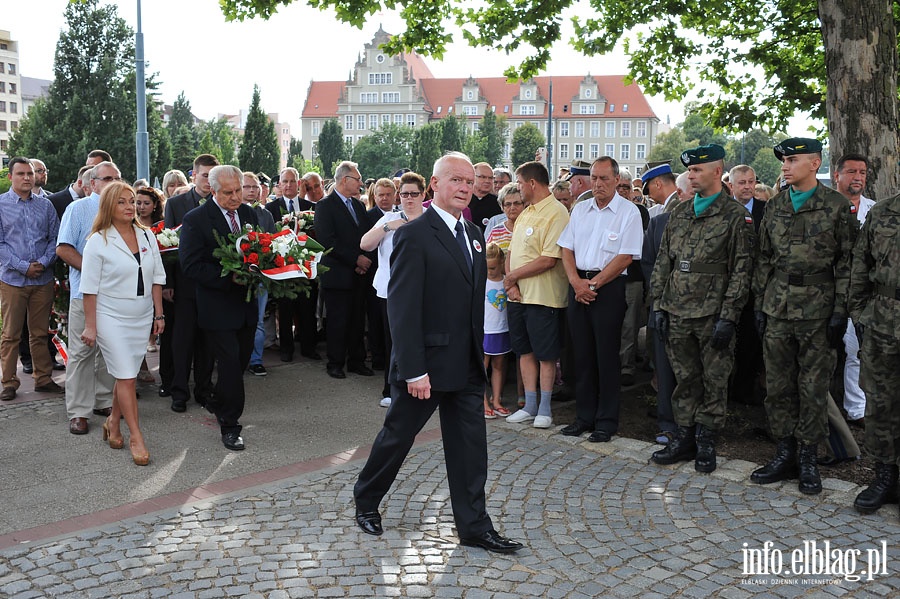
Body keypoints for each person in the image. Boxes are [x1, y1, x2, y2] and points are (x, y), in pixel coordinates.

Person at [353, 152, 523, 554]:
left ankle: (474, 526)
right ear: (435, 183)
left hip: (466, 364)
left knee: (470, 448)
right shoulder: (415, 234)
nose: (465, 187)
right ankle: (366, 498)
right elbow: (402, 306)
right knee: (397, 438)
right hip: (423, 367)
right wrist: (412, 369)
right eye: (456, 180)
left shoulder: (476, 236)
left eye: (470, 181)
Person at [750, 137, 856, 495]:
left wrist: (840, 312)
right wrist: (761, 305)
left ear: (814, 163)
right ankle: (785, 454)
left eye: (792, 160)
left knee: (812, 388)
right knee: (778, 386)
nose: (784, 166)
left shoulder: (836, 207)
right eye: (783, 161)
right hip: (778, 307)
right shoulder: (776, 206)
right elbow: (763, 259)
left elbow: (847, 263)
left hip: (818, 308)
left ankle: (809, 459)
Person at [649, 145, 754, 473]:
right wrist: (658, 306)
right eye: (689, 171)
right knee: (685, 377)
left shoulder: (735, 215)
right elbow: (664, 261)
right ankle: (685, 436)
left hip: (712, 314)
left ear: (716, 171)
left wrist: (729, 316)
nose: (691, 175)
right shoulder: (679, 213)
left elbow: (741, 269)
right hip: (677, 309)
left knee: (714, 379)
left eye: (697, 170)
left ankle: (706, 439)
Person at [556, 156, 642, 443]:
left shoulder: (628, 212)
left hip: (607, 289)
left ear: (617, 180)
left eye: (604, 178)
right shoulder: (581, 210)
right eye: (594, 178)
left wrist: (591, 284)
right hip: (579, 284)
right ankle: (584, 417)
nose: (598, 184)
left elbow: (625, 257)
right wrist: (576, 283)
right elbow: (566, 249)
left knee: (606, 356)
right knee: (581, 355)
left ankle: (606, 421)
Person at [79, 183, 165, 466]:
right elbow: (89, 289)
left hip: (140, 316)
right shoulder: (98, 241)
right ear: (108, 207)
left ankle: (113, 422)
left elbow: (157, 277)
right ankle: (136, 436)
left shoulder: (146, 236)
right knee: (127, 376)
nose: (130, 207)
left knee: (124, 373)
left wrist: (159, 314)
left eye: (132, 201)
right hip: (110, 316)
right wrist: (90, 326)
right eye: (122, 203)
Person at [179, 165, 260, 451]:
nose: (236, 197)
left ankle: (216, 401)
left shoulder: (249, 214)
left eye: (239, 190)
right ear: (213, 191)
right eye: (229, 193)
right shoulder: (195, 219)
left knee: (240, 363)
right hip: (217, 306)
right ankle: (230, 425)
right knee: (228, 364)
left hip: (247, 304)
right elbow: (190, 265)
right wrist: (229, 277)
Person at [505, 161, 570, 430]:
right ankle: (529, 405)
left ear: (532, 183)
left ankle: (545, 408)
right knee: (524, 351)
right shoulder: (526, 213)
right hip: (518, 296)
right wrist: (510, 284)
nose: (518, 190)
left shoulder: (557, 213)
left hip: (544, 297)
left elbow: (548, 260)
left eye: (520, 183)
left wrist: (512, 277)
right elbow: (511, 251)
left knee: (545, 355)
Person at [57, 161, 121, 434]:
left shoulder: (123, 210)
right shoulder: (78, 208)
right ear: (92, 183)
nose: (113, 183)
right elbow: (63, 248)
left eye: (117, 178)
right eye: (107, 178)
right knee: (83, 352)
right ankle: (79, 411)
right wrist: (94, 270)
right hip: (85, 293)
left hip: (117, 294)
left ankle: (104, 400)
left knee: (109, 352)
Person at [848, 192, 900, 515]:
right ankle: (884, 476)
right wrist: (859, 315)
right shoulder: (882, 213)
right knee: (880, 403)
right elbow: (860, 266)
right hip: (882, 322)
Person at [360, 172, 427, 408]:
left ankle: (424, 386)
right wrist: (389, 226)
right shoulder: (389, 218)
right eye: (405, 193)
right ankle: (390, 388)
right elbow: (365, 244)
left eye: (414, 194)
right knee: (393, 342)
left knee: (422, 339)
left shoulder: (431, 219)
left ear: (423, 194)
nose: (409, 198)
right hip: (390, 290)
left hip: (424, 291)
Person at [0, 157, 62, 401]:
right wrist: (24, 267)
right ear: (10, 177)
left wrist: (44, 263)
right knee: (10, 334)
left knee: (39, 333)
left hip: (42, 280)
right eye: (21, 173)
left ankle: (43, 379)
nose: (27, 177)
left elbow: (54, 238)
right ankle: (8, 382)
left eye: (30, 173)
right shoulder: (1, 204)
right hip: (13, 281)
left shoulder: (45, 206)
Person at [163, 154, 218, 412]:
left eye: (213, 175)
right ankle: (179, 392)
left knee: (207, 342)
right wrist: (167, 283)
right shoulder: (175, 204)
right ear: (194, 175)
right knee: (181, 341)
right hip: (183, 284)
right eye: (205, 175)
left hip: (212, 284)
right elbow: (167, 245)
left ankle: (204, 390)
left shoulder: (222, 203)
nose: (209, 180)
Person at [314, 161, 374, 379]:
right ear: (345, 180)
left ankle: (356, 360)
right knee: (338, 321)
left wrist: (365, 259)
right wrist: (355, 260)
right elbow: (327, 240)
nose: (360, 183)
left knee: (358, 319)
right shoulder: (325, 206)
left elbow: (368, 236)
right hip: (338, 274)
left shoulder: (358, 206)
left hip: (360, 274)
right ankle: (335, 362)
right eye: (357, 179)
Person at [833, 153, 875, 427]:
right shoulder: (826, 206)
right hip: (826, 290)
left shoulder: (875, 210)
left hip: (861, 294)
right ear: (837, 175)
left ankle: (856, 409)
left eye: (862, 172)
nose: (857, 177)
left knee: (855, 350)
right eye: (851, 172)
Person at [242, 172, 277, 377]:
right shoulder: (233, 212)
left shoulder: (266, 215)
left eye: (255, 187)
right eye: (247, 187)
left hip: (260, 276)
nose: (252, 190)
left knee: (258, 319)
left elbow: (272, 241)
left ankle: (256, 359)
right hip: (238, 275)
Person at [483, 243, 512, 418]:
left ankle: (496, 400)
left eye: (493, 267)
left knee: (499, 365)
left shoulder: (506, 280)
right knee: (483, 367)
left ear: (502, 262)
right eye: (487, 268)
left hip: (502, 328)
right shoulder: (481, 281)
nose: (490, 271)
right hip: (486, 329)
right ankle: (483, 401)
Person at [485, 183, 524, 250]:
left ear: (524, 205)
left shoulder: (531, 228)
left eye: (517, 203)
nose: (512, 208)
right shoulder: (495, 232)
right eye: (508, 204)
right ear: (502, 207)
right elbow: (488, 256)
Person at [469, 162, 501, 232]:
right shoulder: (464, 200)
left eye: (491, 178)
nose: (487, 181)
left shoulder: (499, 203)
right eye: (483, 177)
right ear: (472, 177)